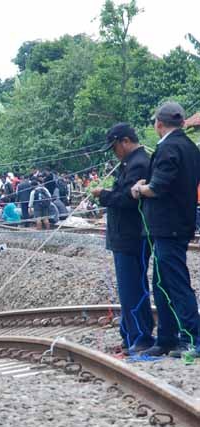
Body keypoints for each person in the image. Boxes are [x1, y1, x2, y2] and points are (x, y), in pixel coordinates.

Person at [131, 102, 200, 357]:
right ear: (182, 122)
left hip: (168, 226)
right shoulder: (190, 147)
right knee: (161, 283)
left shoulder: (169, 147)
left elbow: (159, 186)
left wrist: (139, 189)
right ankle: (167, 337)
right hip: (178, 224)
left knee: (176, 282)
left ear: (159, 124)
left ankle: (194, 337)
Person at [90, 123, 154, 354]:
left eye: (115, 147)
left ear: (125, 141)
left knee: (133, 288)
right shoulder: (131, 163)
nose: (114, 152)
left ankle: (141, 337)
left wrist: (103, 195)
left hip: (131, 236)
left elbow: (128, 199)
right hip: (125, 236)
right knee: (128, 289)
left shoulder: (139, 164)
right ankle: (130, 336)